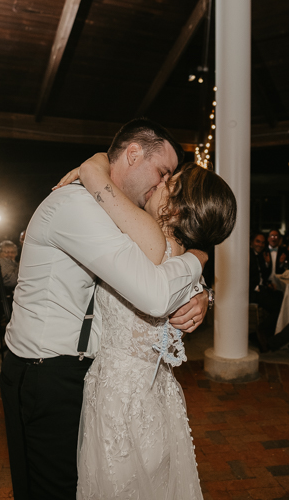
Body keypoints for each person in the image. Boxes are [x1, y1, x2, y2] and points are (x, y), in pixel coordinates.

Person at [0, 118, 210, 500]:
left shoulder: (114, 210)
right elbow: (153, 291)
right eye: (163, 173)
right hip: (45, 372)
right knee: (52, 489)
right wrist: (199, 256)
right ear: (133, 154)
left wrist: (200, 293)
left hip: (88, 373)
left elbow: (158, 262)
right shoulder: (76, 206)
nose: (164, 185)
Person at [67, 156, 236, 499]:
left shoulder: (144, 241)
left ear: (177, 210)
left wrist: (95, 172)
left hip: (119, 395)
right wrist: (203, 281)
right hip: (157, 393)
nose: (159, 183)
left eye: (169, 185)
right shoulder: (183, 254)